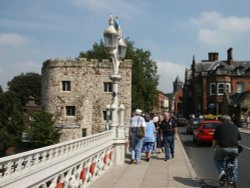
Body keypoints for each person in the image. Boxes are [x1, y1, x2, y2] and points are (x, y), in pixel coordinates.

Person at [212, 115, 242, 183]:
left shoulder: (219, 126)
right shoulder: (235, 126)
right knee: (234, 161)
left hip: (223, 148)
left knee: (217, 159)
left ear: (222, 121)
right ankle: (233, 178)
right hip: (235, 148)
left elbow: (215, 139)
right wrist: (238, 147)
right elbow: (238, 140)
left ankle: (222, 171)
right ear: (230, 120)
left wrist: (213, 146)